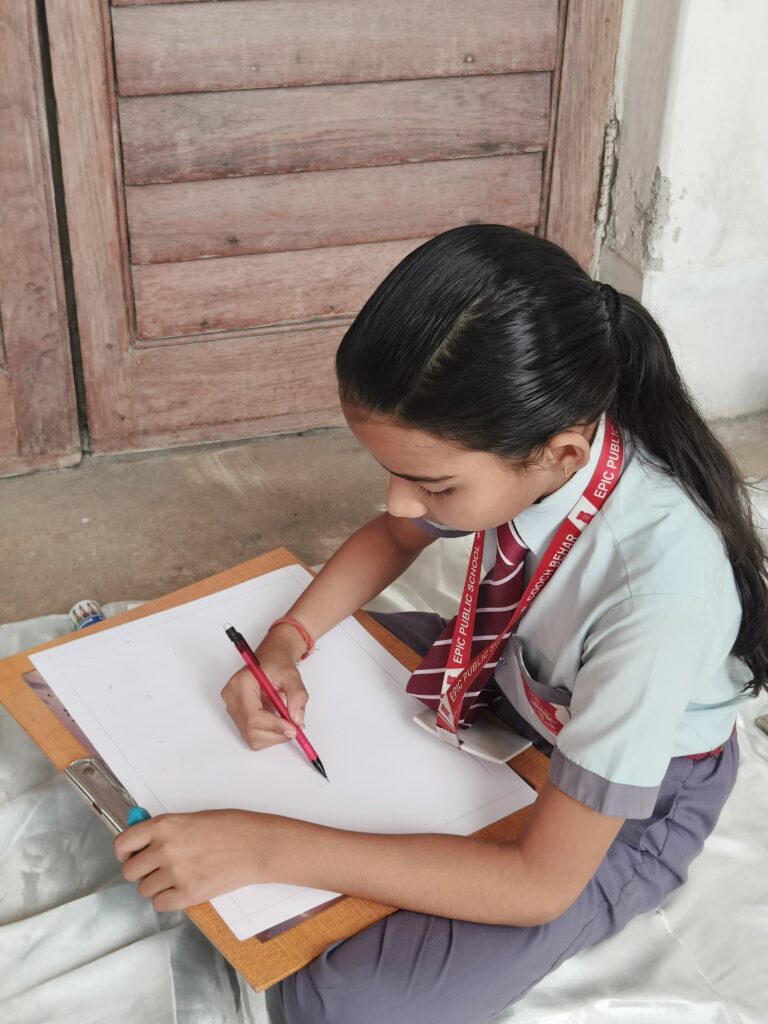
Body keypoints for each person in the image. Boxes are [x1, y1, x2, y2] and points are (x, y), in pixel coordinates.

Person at [114, 225, 768, 1023]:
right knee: (301, 680)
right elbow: (395, 536)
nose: (399, 502)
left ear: (560, 456)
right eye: (392, 473)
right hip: (512, 677)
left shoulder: (657, 602)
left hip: (634, 794)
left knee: (341, 1002)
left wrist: (266, 846)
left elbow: (539, 883)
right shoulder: (528, 447)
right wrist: (288, 641)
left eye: (432, 486)